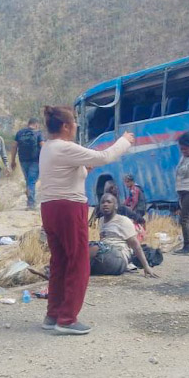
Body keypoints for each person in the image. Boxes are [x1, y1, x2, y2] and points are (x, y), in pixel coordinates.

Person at [38, 105, 133, 335]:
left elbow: (69, 175)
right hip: (69, 208)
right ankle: (68, 318)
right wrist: (125, 140)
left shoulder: (48, 148)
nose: (77, 127)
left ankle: (54, 313)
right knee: (79, 262)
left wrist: (85, 170)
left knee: (60, 261)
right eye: (74, 123)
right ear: (66, 126)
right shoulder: (66, 147)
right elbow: (105, 156)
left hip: (50, 208)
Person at [89, 193, 158, 277]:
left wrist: (146, 266)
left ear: (116, 206)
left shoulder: (123, 221)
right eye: (102, 202)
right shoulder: (101, 221)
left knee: (95, 248)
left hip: (119, 257)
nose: (105, 204)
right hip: (105, 256)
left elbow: (136, 246)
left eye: (109, 202)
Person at [10, 118, 45, 210]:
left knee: (28, 180)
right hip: (35, 161)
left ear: (28, 124)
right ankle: (31, 204)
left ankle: (30, 200)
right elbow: (43, 146)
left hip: (23, 160)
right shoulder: (38, 133)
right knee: (31, 181)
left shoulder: (20, 133)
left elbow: (14, 146)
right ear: (36, 124)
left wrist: (13, 161)